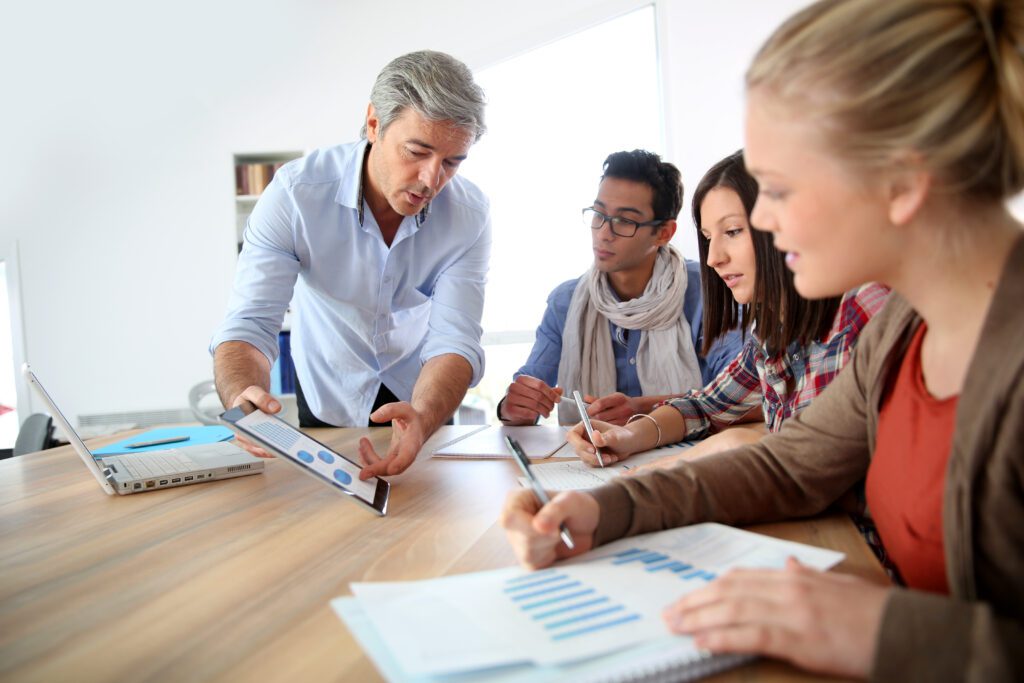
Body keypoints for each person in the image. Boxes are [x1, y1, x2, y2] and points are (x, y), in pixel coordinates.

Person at [501, 0, 1024, 678]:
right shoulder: (903, 329)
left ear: (900, 179)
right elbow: (787, 465)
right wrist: (606, 507)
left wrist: (881, 627)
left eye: (776, 189)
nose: (765, 222)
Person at [210, 51, 490, 479]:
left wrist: (427, 416)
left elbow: (455, 339)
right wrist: (241, 395)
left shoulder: (469, 214)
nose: (432, 179)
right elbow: (249, 323)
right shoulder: (295, 195)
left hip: (421, 394)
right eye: (417, 151)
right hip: (328, 385)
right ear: (374, 123)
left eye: (453, 162)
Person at [596, 150, 888, 471]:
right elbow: (707, 406)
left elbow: (817, 464)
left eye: (733, 231)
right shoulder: (772, 328)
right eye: (708, 238)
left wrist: (682, 461)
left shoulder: (860, 309)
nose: (713, 258)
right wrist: (628, 436)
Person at [498, 150, 742, 427]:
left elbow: (741, 396)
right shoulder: (566, 303)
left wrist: (645, 410)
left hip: (690, 459)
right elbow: (528, 390)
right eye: (598, 214)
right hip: (589, 461)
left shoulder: (708, 292)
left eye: (625, 221)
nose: (603, 233)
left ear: (664, 233)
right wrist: (513, 406)